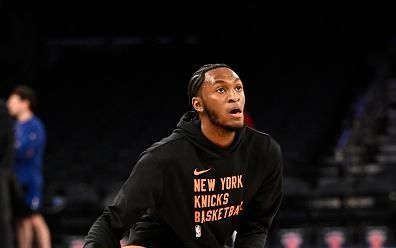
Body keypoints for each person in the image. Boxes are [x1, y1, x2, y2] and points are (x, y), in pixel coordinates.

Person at [84, 64, 283, 248]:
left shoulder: (264, 151)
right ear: (198, 104)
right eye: (221, 90)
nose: (234, 97)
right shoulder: (164, 157)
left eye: (238, 88)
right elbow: (111, 222)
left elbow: (255, 225)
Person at [7, 85, 51, 248]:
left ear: (25, 103)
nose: (9, 105)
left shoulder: (34, 125)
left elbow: (26, 151)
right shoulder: (15, 127)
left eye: (13, 101)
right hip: (17, 180)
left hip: (30, 180)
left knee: (34, 217)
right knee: (21, 220)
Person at [0, 98, 15, 248]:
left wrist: (4, 170)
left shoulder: (1, 108)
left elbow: (7, 140)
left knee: (2, 218)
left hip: (1, 171)